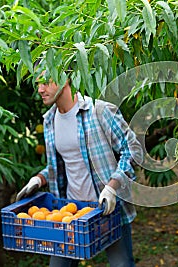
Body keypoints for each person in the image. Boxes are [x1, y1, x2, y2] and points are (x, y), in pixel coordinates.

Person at [16, 67, 142, 267]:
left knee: (122, 264)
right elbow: (61, 166)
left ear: (65, 78)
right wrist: (38, 179)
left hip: (106, 210)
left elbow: (133, 150)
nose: (40, 89)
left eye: (46, 82)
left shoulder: (98, 111)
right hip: (71, 212)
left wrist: (112, 186)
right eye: (37, 83)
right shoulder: (49, 121)